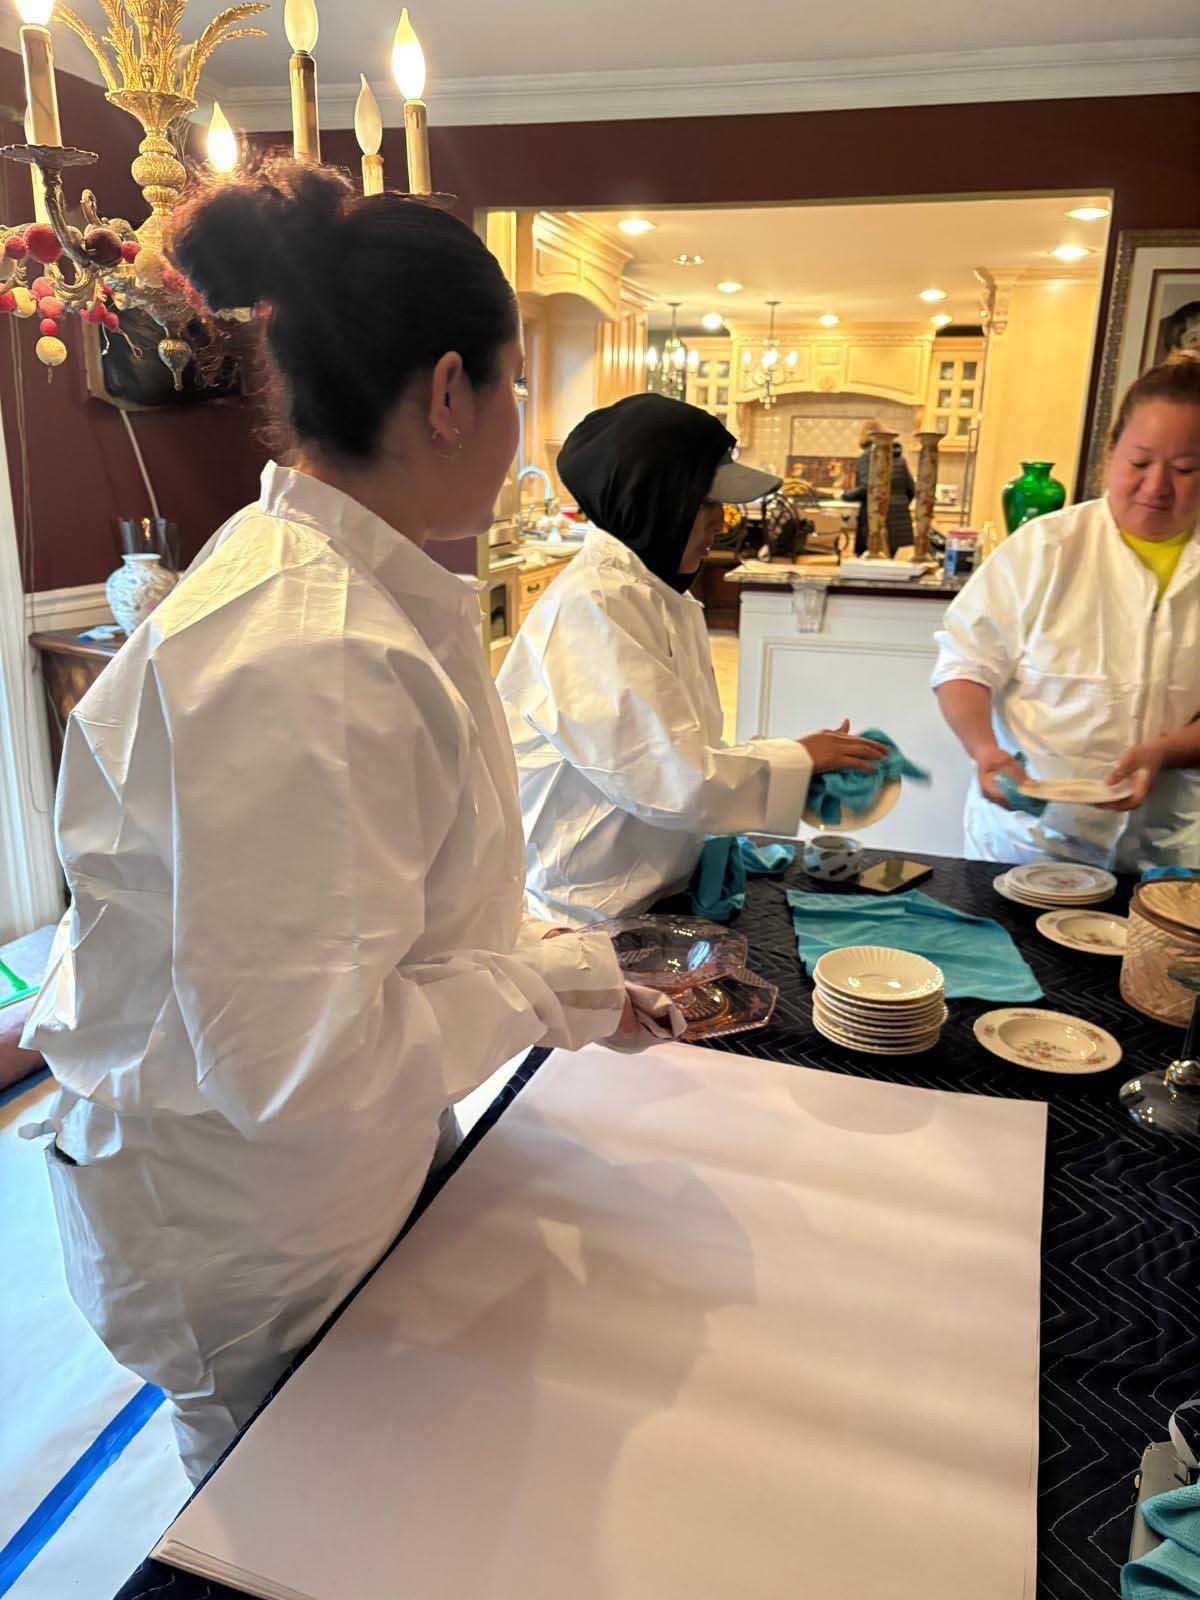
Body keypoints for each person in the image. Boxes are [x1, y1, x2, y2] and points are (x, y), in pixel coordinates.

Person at [21, 163, 642, 1483]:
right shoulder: (309, 653)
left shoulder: (356, 592)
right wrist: (551, 982)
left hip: (312, 1186)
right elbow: (297, 1070)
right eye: (515, 378)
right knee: (289, 1511)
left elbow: (402, 901)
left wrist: (558, 979)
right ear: (450, 390)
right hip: (244, 1231)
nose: (522, 416)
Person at [497, 394, 887, 926]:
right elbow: (675, 780)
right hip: (586, 914)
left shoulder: (655, 595)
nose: (722, 521)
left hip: (643, 893)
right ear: (656, 502)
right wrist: (798, 759)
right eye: (707, 504)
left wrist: (796, 756)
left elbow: (681, 748)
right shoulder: (594, 607)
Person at [931, 349, 1200, 869]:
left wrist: (1164, 751)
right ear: (1110, 452)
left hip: (1168, 851)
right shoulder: (1045, 548)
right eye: (1140, 462)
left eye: (1186, 469)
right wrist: (986, 751)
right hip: (1030, 842)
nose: (1156, 486)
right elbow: (963, 665)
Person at [843, 418, 916, 555]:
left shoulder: (868, 458)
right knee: (898, 562)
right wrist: (899, 504)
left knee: (872, 561)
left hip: (875, 519)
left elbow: (867, 488)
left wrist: (845, 495)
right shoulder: (900, 459)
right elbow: (911, 489)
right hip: (900, 520)